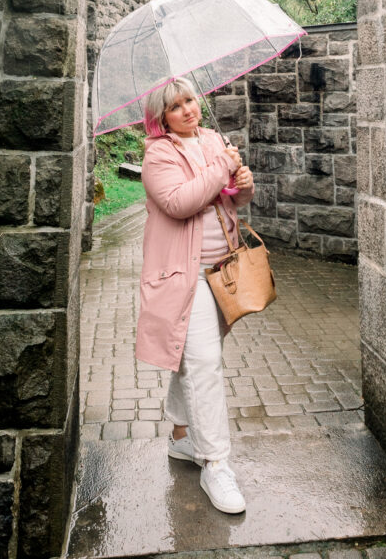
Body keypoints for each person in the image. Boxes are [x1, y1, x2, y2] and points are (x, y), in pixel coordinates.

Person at [135, 77, 255, 514]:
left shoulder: (211, 140)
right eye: (175, 106)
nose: (188, 110)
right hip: (184, 277)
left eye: (190, 100)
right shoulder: (158, 154)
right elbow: (181, 202)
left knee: (194, 355)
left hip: (223, 270)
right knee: (204, 363)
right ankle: (215, 462)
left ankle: (182, 438)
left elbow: (231, 201)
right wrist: (222, 168)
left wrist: (242, 182)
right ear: (160, 119)